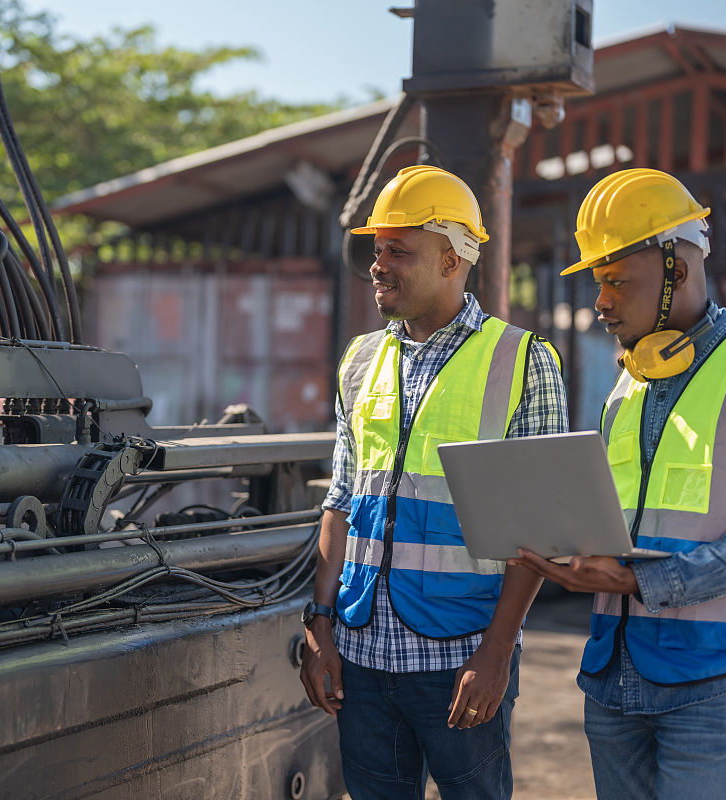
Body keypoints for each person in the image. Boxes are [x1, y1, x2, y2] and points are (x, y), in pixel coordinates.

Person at [510, 167, 726, 800]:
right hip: (611, 671)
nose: (600, 302)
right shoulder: (626, 389)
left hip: (709, 679)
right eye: (598, 283)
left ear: (677, 269)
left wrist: (636, 579)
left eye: (617, 282)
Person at [300, 165, 568, 799]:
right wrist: (318, 624)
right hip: (362, 657)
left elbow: (541, 529)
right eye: (377, 250)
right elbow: (341, 500)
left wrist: (497, 653)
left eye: (400, 250)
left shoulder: (524, 361)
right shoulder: (359, 359)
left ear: (452, 259)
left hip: (460, 657)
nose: (378, 264)